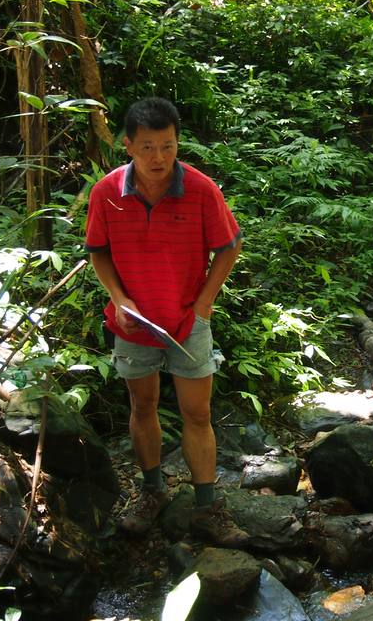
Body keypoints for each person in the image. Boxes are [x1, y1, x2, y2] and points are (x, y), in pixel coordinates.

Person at [86, 97, 242, 535]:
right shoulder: (106, 193)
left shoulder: (200, 190)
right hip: (133, 322)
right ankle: (152, 490)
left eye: (168, 146)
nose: (159, 158)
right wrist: (119, 298)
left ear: (178, 143)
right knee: (143, 405)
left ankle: (207, 506)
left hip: (188, 320)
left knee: (198, 413)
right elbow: (98, 252)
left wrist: (204, 303)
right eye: (148, 147)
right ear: (128, 145)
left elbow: (229, 246)